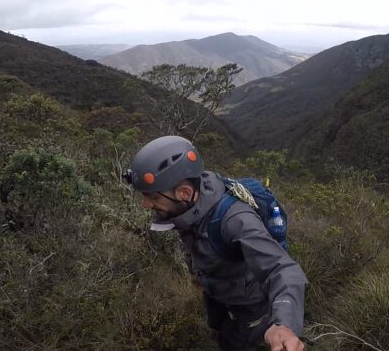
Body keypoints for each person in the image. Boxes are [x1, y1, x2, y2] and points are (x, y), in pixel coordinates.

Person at [124, 136, 307, 351]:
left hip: (250, 307)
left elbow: (282, 268)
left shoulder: (235, 221)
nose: (145, 204)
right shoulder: (192, 203)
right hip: (220, 295)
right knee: (221, 332)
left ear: (183, 193)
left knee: (239, 344)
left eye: (152, 197)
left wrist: (284, 325)